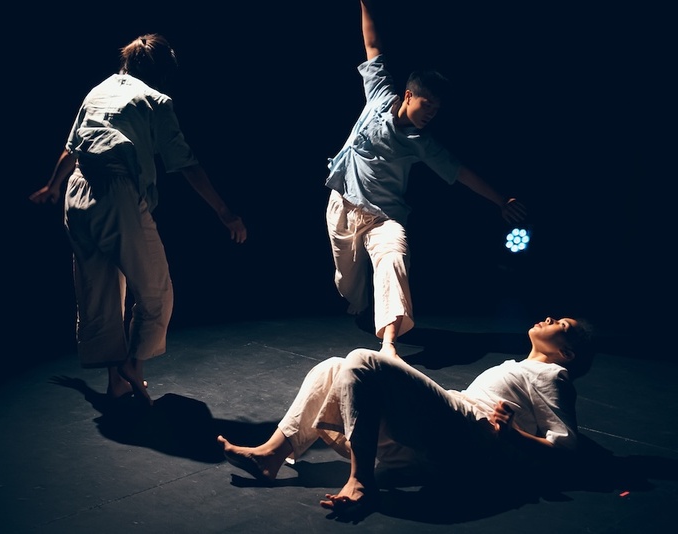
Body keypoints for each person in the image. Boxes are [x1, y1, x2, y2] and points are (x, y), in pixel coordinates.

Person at [30, 33, 247, 405]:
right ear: (162, 71)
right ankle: (133, 364)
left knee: (99, 292)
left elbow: (72, 147)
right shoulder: (155, 101)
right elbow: (186, 164)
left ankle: (117, 382)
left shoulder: (97, 91)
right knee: (155, 290)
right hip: (117, 195)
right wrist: (225, 212)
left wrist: (53, 187)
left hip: (77, 194)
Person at [217, 315, 594, 514]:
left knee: (363, 361)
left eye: (562, 324)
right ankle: (272, 455)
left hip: (473, 440)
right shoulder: (522, 366)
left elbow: (568, 450)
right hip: (446, 435)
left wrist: (515, 437)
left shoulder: (553, 375)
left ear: (568, 354)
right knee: (334, 366)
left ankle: (361, 481)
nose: (549, 317)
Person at [325, 0, 527, 358]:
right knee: (347, 283)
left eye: (437, 110)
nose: (431, 114)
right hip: (342, 202)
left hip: (383, 218)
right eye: (426, 105)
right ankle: (357, 304)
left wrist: (500, 200)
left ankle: (389, 344)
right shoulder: (378, 95)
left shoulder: (423, 144)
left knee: (393, 259)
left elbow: (462, 172)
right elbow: (372, 45)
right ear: (409, 96)